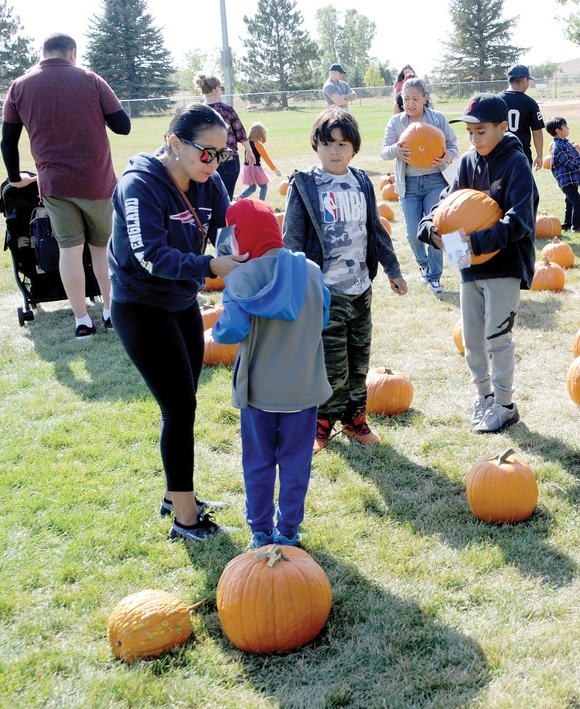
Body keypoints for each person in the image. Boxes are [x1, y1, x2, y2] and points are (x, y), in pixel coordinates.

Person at [108, 104, 248, 541]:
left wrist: (257, 247)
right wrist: (211, 264)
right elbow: (149, 255)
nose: (216, 163)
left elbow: (229, 228)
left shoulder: (208, 182)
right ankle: (185, 520)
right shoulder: (139, 185)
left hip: (181, 300)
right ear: (173, 143)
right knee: (178, 406)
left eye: (223, 155)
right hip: (140, 305)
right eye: (207, 153)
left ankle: (176, 495)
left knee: (185, 401)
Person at [282, 107, 408, 454]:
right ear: (316, 146)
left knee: (359, 359)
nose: (334, 151)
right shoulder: (306, 185)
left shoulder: (361, 182)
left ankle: (355, 417)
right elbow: (291, 238)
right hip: (324, 292)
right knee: (332, 364)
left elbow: (375, 231)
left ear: (354, 148)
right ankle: (323, 421)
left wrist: (393, 270)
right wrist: (294, 285)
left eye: (342, 144)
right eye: (327, 144)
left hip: (360, 289)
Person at [211, 199, 332, 549]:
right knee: (296, 463)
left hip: (259, 392)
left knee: (259, 463)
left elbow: (228, 334)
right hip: (303, 387)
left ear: (239, 234)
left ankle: (261, 531)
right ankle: (289, 530)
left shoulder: (239, 278)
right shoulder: (309, 270)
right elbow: (322, 317)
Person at [418, 94, 536, 434]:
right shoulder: (469, 162)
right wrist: (429, 228)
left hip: (504, 263)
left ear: (502, 127)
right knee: (472, 338)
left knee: (497, 336)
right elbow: (447, 203)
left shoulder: (516, 163)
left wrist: (476, 243)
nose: (474, 138)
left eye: (481, 131)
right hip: (470, 266)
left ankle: (504, 404)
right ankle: (483, 396)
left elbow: (520, 220)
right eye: (470, 132)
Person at [0, 33, 130, 339]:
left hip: (54, 184)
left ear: (43, 52)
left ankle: (82, 320)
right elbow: (123, 127)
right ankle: (110, 312)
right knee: (101, 250)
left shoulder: (19, 86)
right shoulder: (91, 80)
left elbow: (8, 140)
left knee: (69, 252)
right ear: (72, 52)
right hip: (96, 180)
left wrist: (15, 177)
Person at [381, 78, 459, 295]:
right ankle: (423, 263)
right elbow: (383, 151)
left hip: (436, 182)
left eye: (415, 98)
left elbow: (454, 146)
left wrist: (446, 155)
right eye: (406, 99)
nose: (410, 103)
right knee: (413, 234)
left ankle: (434, 276)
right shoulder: (396, 122)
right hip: (409, 185)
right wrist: (396, 149)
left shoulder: (438, 119)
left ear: (425, 98)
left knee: (435, 230)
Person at [196, 73, 255, 200]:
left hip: (205, 160)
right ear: (216, 89)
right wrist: (250, 152)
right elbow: (240, 133)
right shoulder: (227, 110)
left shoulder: (197, 111)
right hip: (228, 160)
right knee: (225, 199)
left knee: (207, 200)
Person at [546, 117, 580, 234]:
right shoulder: (558, 147)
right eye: (565, 126)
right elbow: (571, 163)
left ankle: (567, 225)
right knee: (578, 202)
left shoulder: (567, 143)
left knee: (570, 202)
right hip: (566, 180)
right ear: (558, 130)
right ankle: (577, 227)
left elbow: (577, 157)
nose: (568, 128)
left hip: (572, 179)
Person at [500, 65, 545, 172]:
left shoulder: (496, 100)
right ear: (525, 80)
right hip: (521, 153)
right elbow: (537, 132)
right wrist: (539, 155)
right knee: (522, 186)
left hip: (500, 152)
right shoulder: (530, 103)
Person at [239, 122, 282, 202]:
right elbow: (266, 158)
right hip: (255, 168)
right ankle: (261, 202)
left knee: (252, 187)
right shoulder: (258, 145)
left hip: (247, 168)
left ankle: (240, 197)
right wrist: (275, 170)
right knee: (264, 186)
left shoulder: (247, 143)